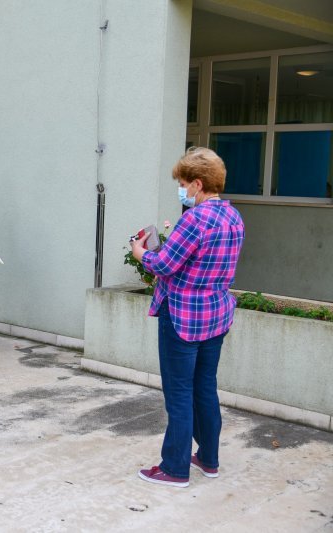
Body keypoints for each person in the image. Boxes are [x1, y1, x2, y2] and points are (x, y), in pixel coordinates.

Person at [130, 147, 245, 487]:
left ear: (197, 183)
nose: (181, 189)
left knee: (179, 394)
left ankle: (175, 468)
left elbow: (164, 264)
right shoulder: (234, 216)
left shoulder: (195, 219)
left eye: (182, 183)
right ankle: (208, 459)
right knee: (205, 388)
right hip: (216, 315)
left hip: (182, 317)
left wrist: (140, 253)